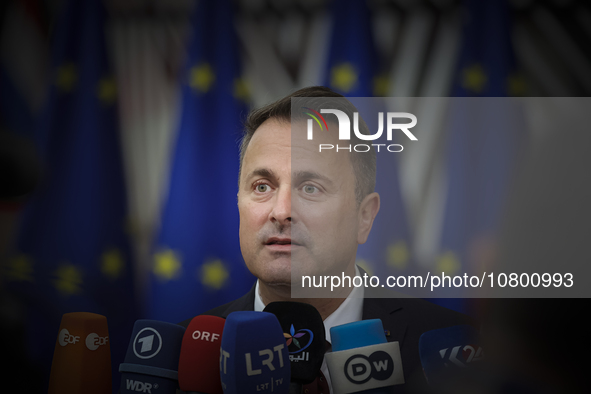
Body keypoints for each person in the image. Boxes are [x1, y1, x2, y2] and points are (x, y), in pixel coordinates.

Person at [180, 86, 472, 393]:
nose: (281, 212)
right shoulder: (180, 358)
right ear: (238, 201)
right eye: (263, 186)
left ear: (365, 217)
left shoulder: (458, 350)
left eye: (310, 188)